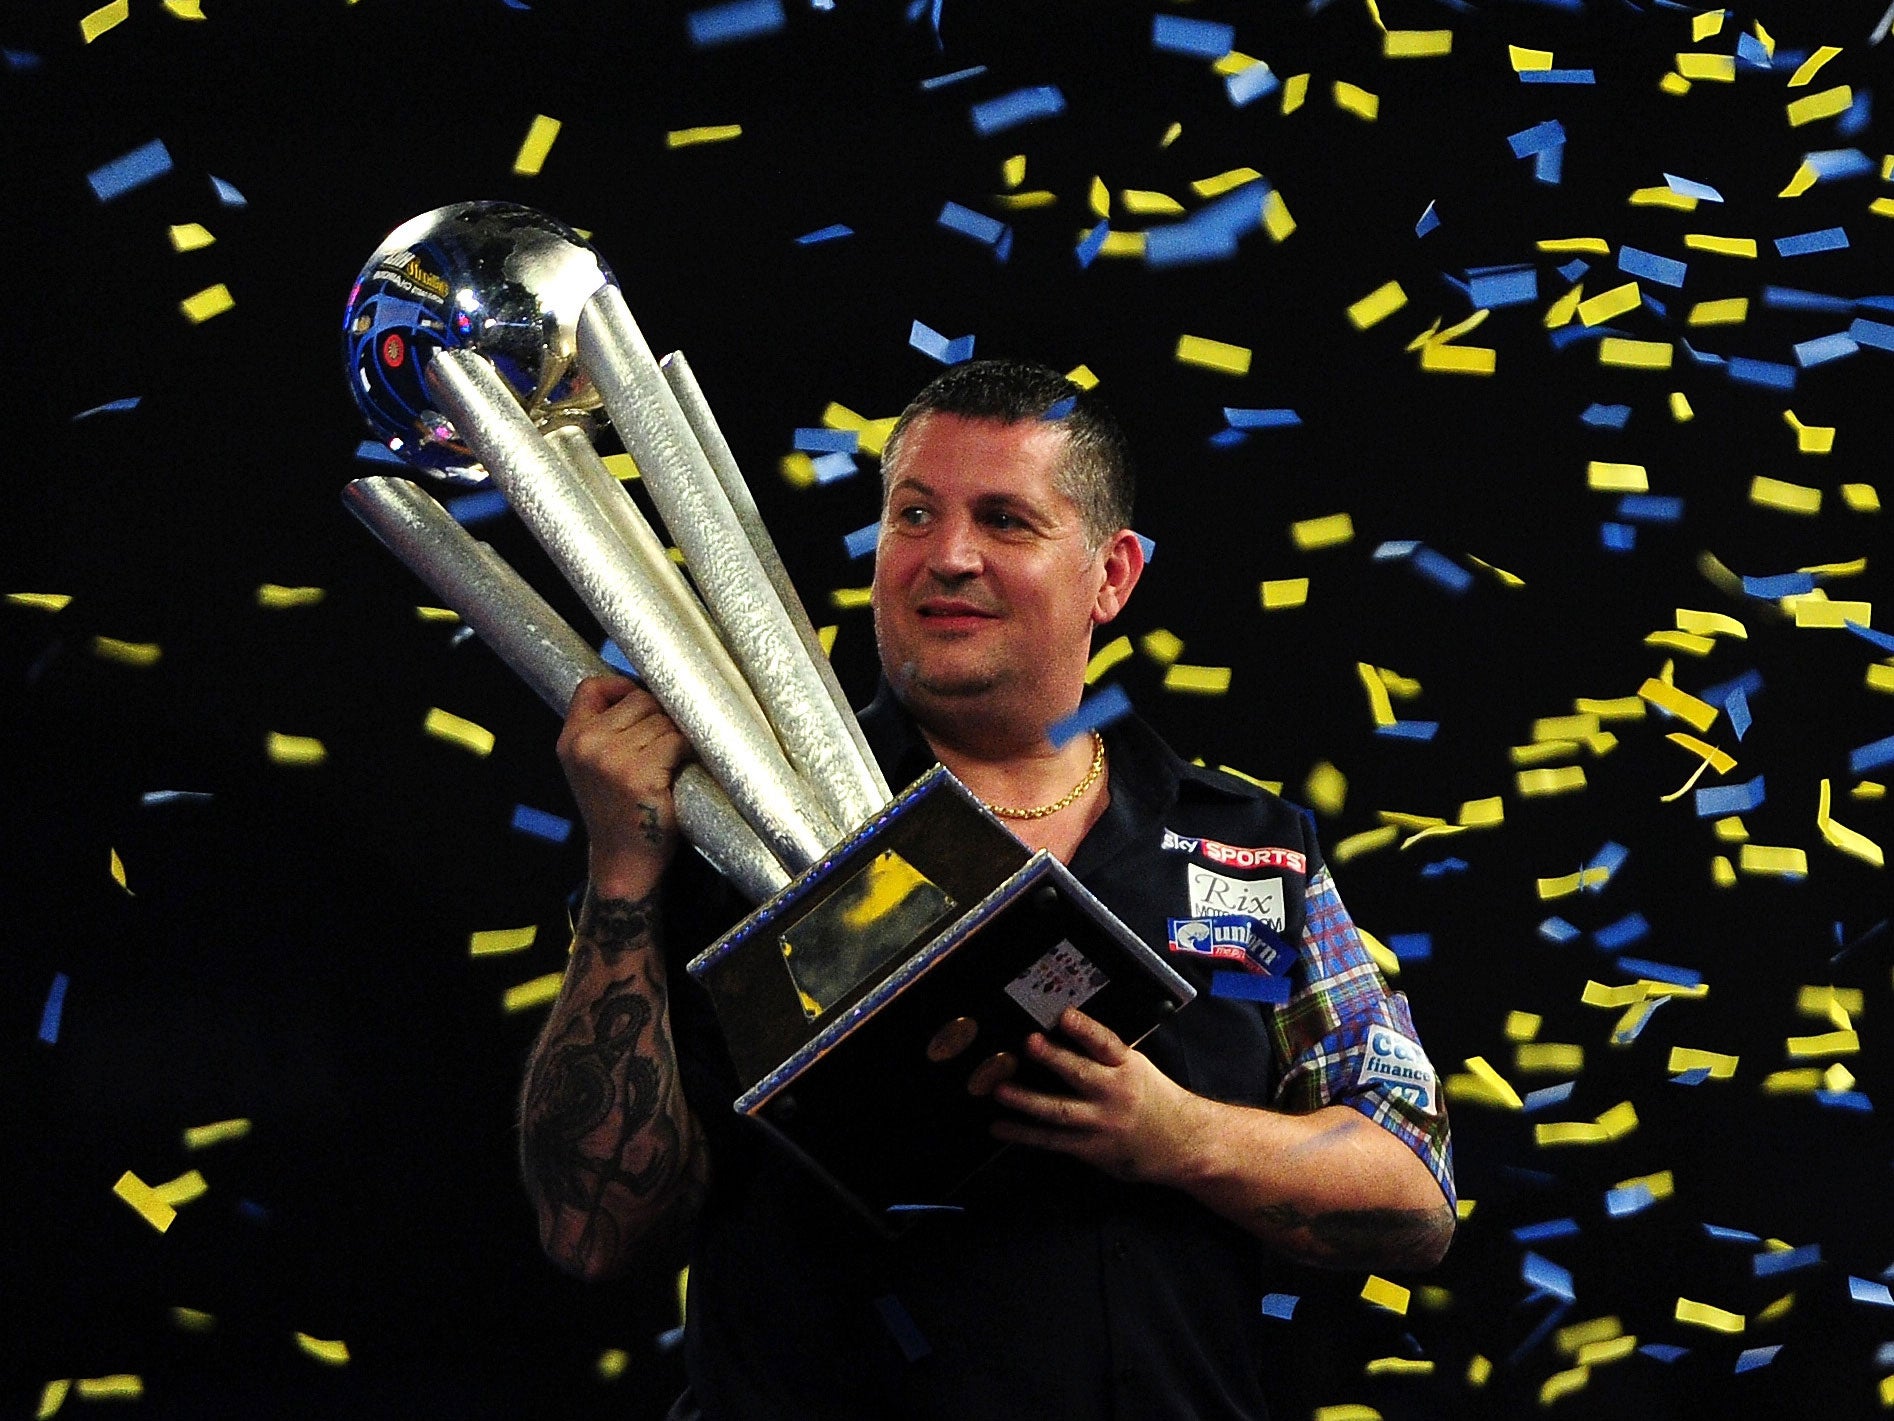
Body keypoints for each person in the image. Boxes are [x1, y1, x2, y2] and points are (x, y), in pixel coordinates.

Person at [520, 360, 1455, 1419]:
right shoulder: (725, 822)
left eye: (1005, 520)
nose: (947, 556)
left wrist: (1178, 1134)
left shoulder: (1249, 844)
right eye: (913, 513)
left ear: (1112, 575)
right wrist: (621, 873)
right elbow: (589, 1229)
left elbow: (1414, 1190)